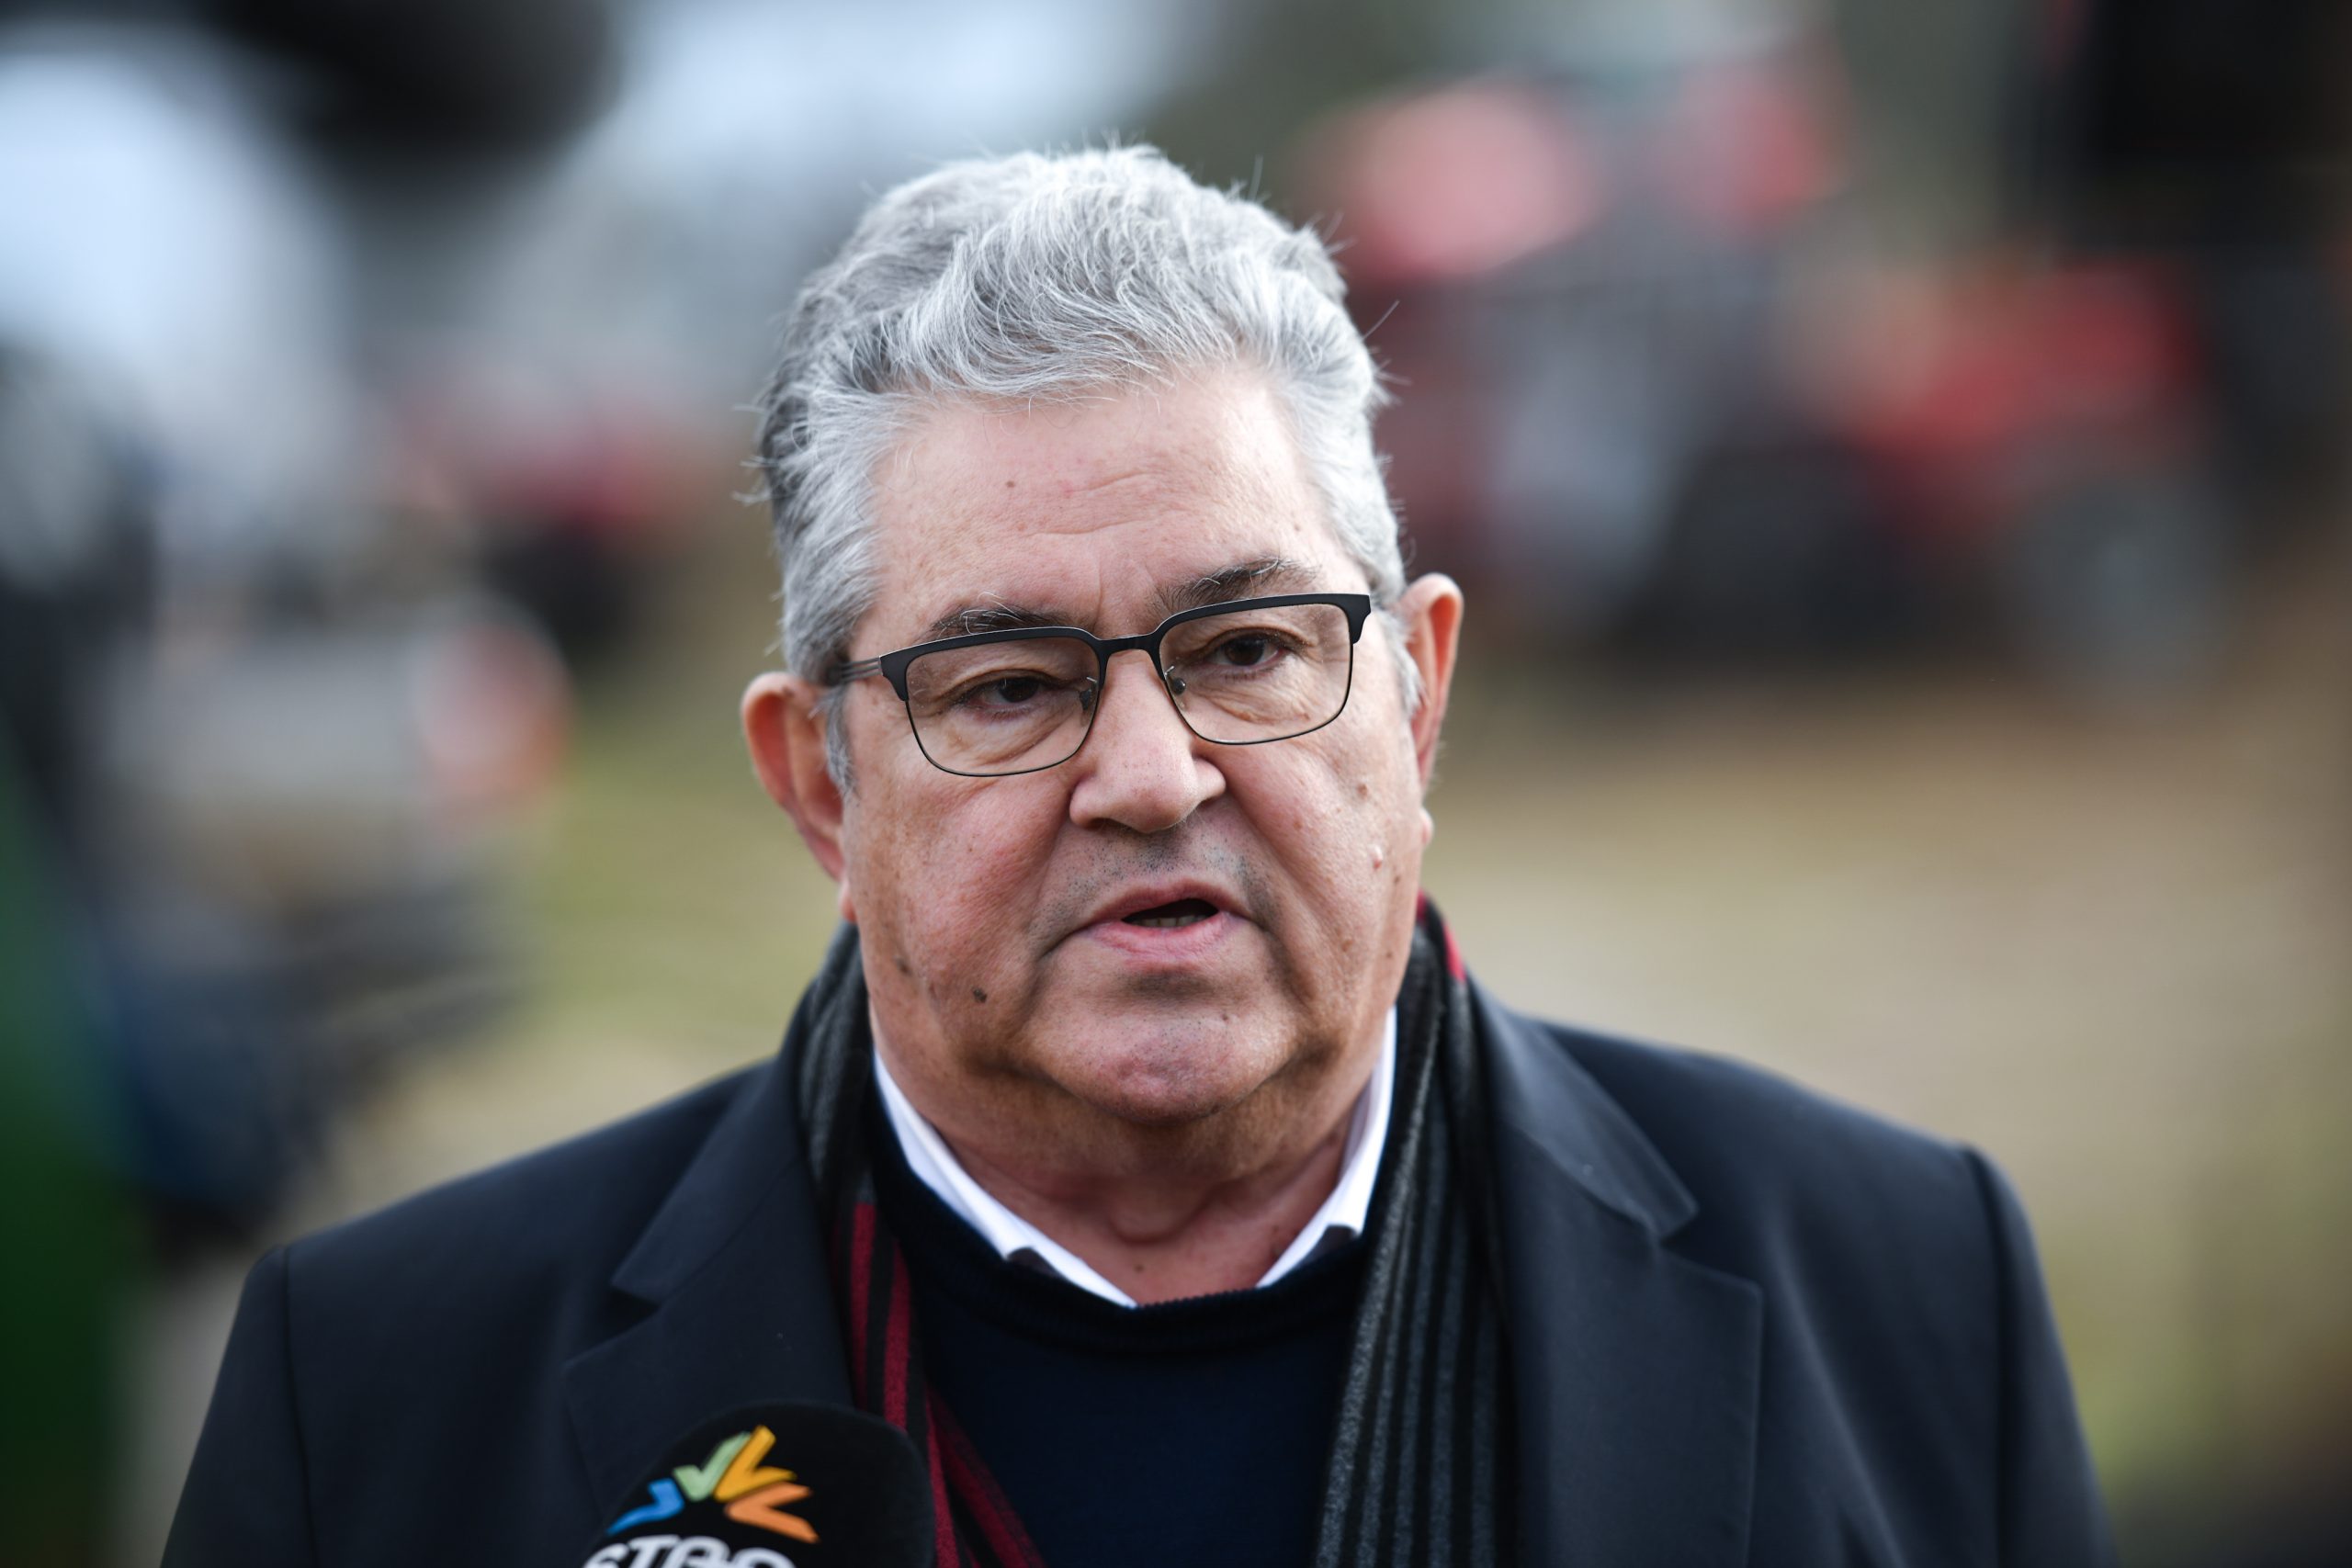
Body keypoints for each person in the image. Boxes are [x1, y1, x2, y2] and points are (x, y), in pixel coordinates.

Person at [166, 146, 2114, 1567]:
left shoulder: (1899, 1286)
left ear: (1417, 698)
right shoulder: (384, 1396)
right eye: (1009, 686)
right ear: (821, 787)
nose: (1151, 775)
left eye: (1247, 649)